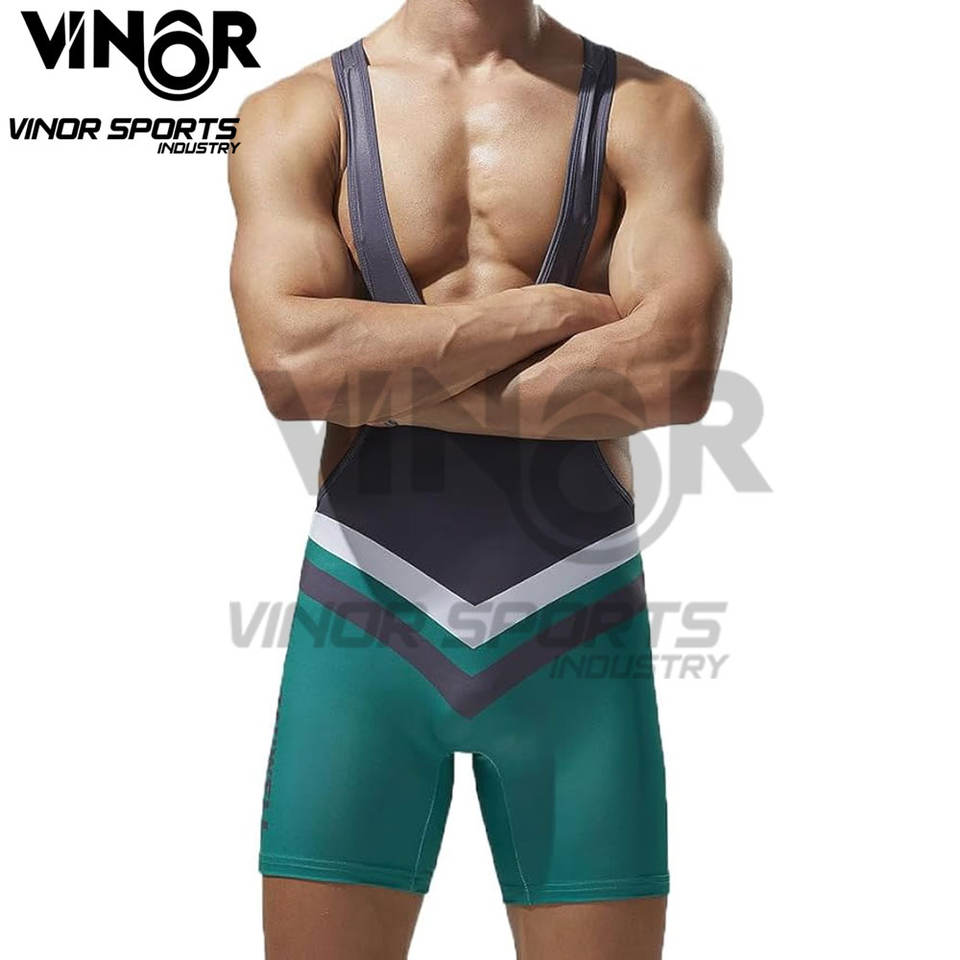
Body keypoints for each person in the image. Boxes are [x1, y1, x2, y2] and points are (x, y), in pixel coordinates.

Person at [228, 2, 729, 957]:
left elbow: (675, 373)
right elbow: (292, 369)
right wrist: (535, 318)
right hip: (363, 623)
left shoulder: (651, 111)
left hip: (575, 623)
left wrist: (383, 380)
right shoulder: (295, 114)